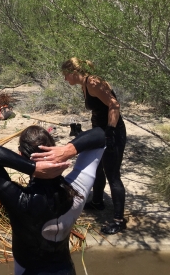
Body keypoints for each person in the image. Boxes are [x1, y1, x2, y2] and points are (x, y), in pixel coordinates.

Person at [0, 126, 105, 275]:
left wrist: (31, 167)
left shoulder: (19, 201)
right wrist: (68, 150)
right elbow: (99, 135)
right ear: (55, 151)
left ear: (20, 154)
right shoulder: (78, 190)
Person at [61, 57, 127, 234]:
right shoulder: (84, 84)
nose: (65, 79)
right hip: (99, 131)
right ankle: (98, 202)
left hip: (112, 132)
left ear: (74, 73)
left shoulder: (93, 82)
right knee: (98, 168)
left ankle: (119, 220)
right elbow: (99, 108)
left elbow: (114, 104)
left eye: (66, 75)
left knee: (113, 175)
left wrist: (111, 131)